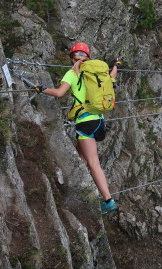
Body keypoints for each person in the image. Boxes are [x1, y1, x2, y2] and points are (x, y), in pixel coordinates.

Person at [34, 42, 119, 214]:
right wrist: (116, 65)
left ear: (72, 58)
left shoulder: (72, 72)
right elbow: (112, 77)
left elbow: (59, 93)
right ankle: (78, 188)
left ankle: (108, 200)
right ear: (88, 56)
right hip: (100, 121)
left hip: (85, 122)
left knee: (94, 162)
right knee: (82, 158)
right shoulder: (98, 72)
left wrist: (42, 89)